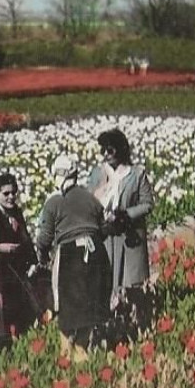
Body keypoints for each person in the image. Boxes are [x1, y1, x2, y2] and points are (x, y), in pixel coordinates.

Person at [33, 154, 111, 347]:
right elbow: (104, 229)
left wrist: (42, 258)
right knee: (90, 305)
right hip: (96, 254)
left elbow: (44, 239)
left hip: (70, 255)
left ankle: (67, 353)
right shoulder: (92, 200)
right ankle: (82, 347)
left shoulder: (54, 203)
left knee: (66, 308)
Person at [85, 127, 156, 324]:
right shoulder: (98, 174)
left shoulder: (136, 175)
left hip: (129, 235)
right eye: (103, 151)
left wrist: (126, 215)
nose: (106, 155)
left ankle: (136, 321)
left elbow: (148, 204)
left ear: (120, 149)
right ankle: (112, 321)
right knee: (108, 279)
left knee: (132, 282)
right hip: (107, 235)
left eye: (110, 150)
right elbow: (90, 201)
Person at [0, 172, 39, 341]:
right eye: (6, 194)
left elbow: (26, 238)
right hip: (1, 270)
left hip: (18, 268)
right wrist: (1, 248)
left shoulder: (16, 212)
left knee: (22, 308)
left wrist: (33, 261)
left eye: (13, 193)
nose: (11, 197)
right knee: (6, 310)